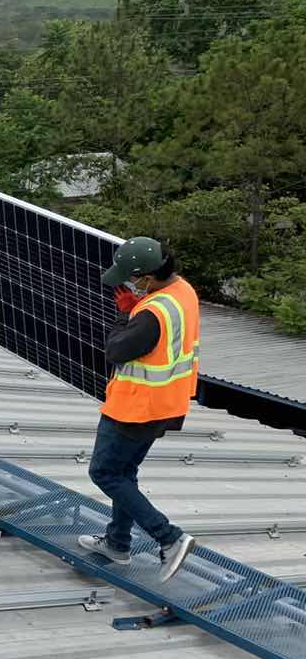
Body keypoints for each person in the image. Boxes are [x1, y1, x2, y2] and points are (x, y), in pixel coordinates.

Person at [78, 237, 199, 582]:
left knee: (105, 473)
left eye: (132, 279)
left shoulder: (150, 314)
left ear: (146, 277)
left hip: (135, 408)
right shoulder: (183, 291)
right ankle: (117, 543)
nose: (128, 285)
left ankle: (169, 538)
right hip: (167, 404)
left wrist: (127, 313)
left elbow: (116, 350)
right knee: (124, 472)